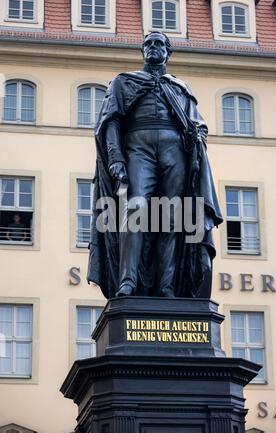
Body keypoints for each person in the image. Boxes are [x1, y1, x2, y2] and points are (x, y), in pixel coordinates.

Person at [87, 32, 223, 299]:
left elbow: (199, 123)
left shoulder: (180, 87)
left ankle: (167, 286)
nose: (153, 47)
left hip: (175, 151)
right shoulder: (124, 82)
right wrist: (115, 158)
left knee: (173, 218)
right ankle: (127, 280)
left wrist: (199, 137)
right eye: (148, 43)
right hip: (138, 146)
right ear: (142, 51)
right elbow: (110, 123)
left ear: (168, 52)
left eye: (159, 43)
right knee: (134, 211)